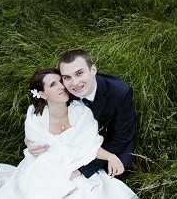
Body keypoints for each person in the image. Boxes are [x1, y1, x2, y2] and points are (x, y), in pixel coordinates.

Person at [0, 69, 140, 199]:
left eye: (61, 81)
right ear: (42, 94)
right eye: (53, 84)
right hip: (44, 165)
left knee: (80, 197)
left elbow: (89, 146)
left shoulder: (80, 112)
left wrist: (110, 156)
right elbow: (37, 145)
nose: (62, 87)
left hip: (75, 162)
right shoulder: (36, 117)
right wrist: (31, 145)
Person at [28, 50, 136, 178]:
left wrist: (81, 171)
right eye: (67, 77)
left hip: (110, 137)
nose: (74, 83)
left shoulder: (120, 92)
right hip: (76, 138)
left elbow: (122, 137)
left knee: (120, 165)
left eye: (79, 73)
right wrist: (30, 141)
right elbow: (47, 114)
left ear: (93, 70)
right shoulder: (65, 91)